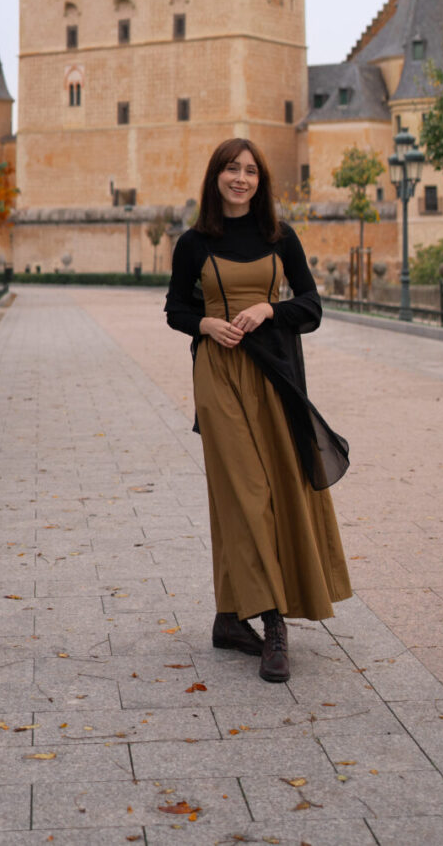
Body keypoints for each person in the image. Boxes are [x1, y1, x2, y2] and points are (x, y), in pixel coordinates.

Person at [164, 137, 352, 682]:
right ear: (215, 177)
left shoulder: (280, 237)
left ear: (260, 180)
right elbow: (176, 308)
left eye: (249, 170)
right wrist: (204, 323)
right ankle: (273, 624)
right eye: (231, 169)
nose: (240, 178)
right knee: (244, 492)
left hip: (273, 373)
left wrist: (271, 308)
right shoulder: (194, 243)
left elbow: (312, 305)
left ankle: (229, 617)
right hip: (218, 375)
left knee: (273, 489)